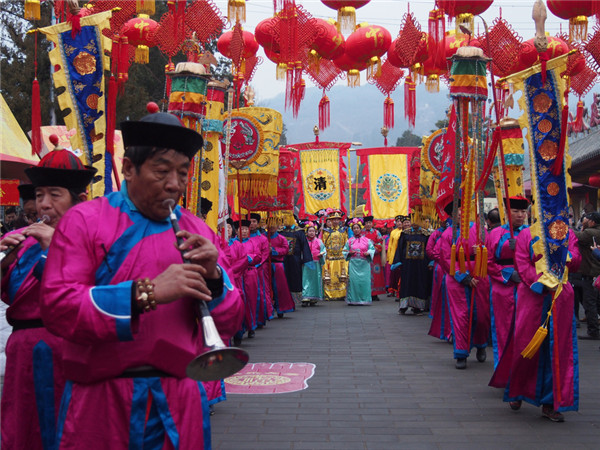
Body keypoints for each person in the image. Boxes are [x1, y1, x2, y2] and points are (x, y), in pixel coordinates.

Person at [40, 109, 244, 447]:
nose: (175, 184)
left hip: (180, 400)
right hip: (104, 402)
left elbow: (232, 318)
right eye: (162, 171)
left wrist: (214, 278)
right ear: (129, 169)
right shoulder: (85, 221)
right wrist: (146, 293)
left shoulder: (196, 229)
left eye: (182, 172)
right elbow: (59, 307)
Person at [1, 146, 96, 450]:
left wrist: (56, 247)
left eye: (55, 195)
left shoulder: (92, 241)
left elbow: (88, 289)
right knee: (21, 431)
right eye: (39, 195)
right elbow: (10, 295)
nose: (44, 205)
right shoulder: (23, 241)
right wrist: (4, 259)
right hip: (21, 354)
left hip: (64, 350)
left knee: (63, 430)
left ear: (78, 201)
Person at [490, 225, 581, 422]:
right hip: (533, 295)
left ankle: (550, 403)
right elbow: (522, 264)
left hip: (560, 295)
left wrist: (566, 258)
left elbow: (576, 259)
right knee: (525, 344)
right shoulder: (527, 234)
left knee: (557, 350)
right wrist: (542, 281)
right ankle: (518, 390)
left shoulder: (568, 232)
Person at [438, 203, 490, 369]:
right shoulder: (448, 235)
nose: (460, 213)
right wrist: (464, 277)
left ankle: (481, 344)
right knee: (461, 317)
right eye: (456, 211)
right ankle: (461, 353)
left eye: (462, 209)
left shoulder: (479, 229)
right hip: (456, 279)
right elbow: (445, 259)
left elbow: (490, 249)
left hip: (480, 274)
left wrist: (481, 250)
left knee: (481, 315)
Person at [486, 196, 529, 369]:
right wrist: (508, 274)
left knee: (525, 328)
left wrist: (520, 246)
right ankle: (503, 368)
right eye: (516, 211)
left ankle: (523, 369)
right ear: (507, 213)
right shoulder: (496, 233)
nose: (520, 215)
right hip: (503, 287)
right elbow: (488, 261)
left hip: (526, 285)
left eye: (523, 211)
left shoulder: (532, 232)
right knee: (503, 328)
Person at [393, 216, 431, 315]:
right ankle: (403, 306)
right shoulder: (405, 233)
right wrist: (398, 261)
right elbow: (400, 248)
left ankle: (417, 307)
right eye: (412, 221)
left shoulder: (425, 234)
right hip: (407, 265)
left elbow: (428, 249)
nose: (414, 223)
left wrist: (430, 262)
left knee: (419, 284)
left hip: (421, 266)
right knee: (406, 284)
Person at [573, 211, 600, 340]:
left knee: (589, 302)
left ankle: (593, 331)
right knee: (594, 301)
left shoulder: (590, 233)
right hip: (593, 271)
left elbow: (575, 236)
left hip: (591, 271)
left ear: (592, 222)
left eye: (587, 218)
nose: (584, 219)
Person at [427, 218, 452, 341]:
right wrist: (441, 259)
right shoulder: (437, 234)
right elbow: (430, 250)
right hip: (442, 267)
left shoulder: (469, 231)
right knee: (442, 296)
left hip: (460, 267)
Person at [279, 212, 312, 304]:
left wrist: (307, 260)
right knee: (283, 277)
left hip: (295, 259)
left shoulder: (299, 231)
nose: (285, 221)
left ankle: (297, 298)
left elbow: (305, 246)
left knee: (296, 277)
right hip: (282, 259)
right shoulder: (280, 232)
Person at [249, 212, 274, 325]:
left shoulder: (262, 238)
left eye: (254, 221)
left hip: (260, 268)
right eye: (250, 221)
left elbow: (265, 253)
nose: (252, 224)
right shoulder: (243, 237)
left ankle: (262, 316)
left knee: (262, 292)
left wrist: (257, 264)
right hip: (247, 268)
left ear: (258, 223)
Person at [267, 218, 296, 317]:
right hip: (265, 265)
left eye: (273, 225)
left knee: (279, 287)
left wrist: (273, 250)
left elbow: (285, 249)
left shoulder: (281, 238)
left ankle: (281, 308)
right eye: (269, 225)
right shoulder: (263, 237)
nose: (271, 227)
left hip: (278, 265)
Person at [343, 218, 375, 305]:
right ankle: (353, 299)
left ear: (361, 229)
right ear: (352, 230)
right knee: (354, 282)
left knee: (364, 282)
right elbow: (344, 251)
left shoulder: (367, 240)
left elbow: (372, 249)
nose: (356, 230)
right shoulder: (349, 241)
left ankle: (365, 299)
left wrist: (368, 253)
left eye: (358, 228)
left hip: (364, 264)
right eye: (354, 228)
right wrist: (349, 253)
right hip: (354, 264)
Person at [321, 210, 348, 301]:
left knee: (342, 277)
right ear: (330, 221)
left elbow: (346, 243)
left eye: (337, 219)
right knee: (330, 277)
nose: (336, 221)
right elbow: (323, 244)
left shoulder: (343, 231)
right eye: (334, 220)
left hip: (340, 258)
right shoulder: (326, 232)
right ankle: (330, 294)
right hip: (330, 258)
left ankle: (341, 294)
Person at [302, 221, 326, 305]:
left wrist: (321, 255)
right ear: (306, 232)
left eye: (313, 231)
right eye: (310, 231)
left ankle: (314, 297)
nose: (311, 233)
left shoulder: (319, 241)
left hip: (316, 263)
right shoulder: (304, 241)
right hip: (307, 263)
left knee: (316, 280)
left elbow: (324, 251)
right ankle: (305, 296)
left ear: (316, 232)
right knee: (306, 280)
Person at [363, 216, 386, 301]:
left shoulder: (376, 232)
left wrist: (373, 250)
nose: (368, 224)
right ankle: (366, 292)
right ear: (364, 224)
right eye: (366, 223)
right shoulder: (362, 233)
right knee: (365, 274)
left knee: (376, 275)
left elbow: (380, 243)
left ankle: (375, 294)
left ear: (372, 224)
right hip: (365, 257)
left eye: (369, 223)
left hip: (375, 257)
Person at [386, 215, 405, 297]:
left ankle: (399, 290)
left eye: (401, 221)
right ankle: (392, 290)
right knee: (393, 274)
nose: (399, 223)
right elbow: (390, 245)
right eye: (398, 221)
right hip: (394, 254)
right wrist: (389, 256)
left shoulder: (405, 232)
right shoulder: (393, 232)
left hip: (401, 255)